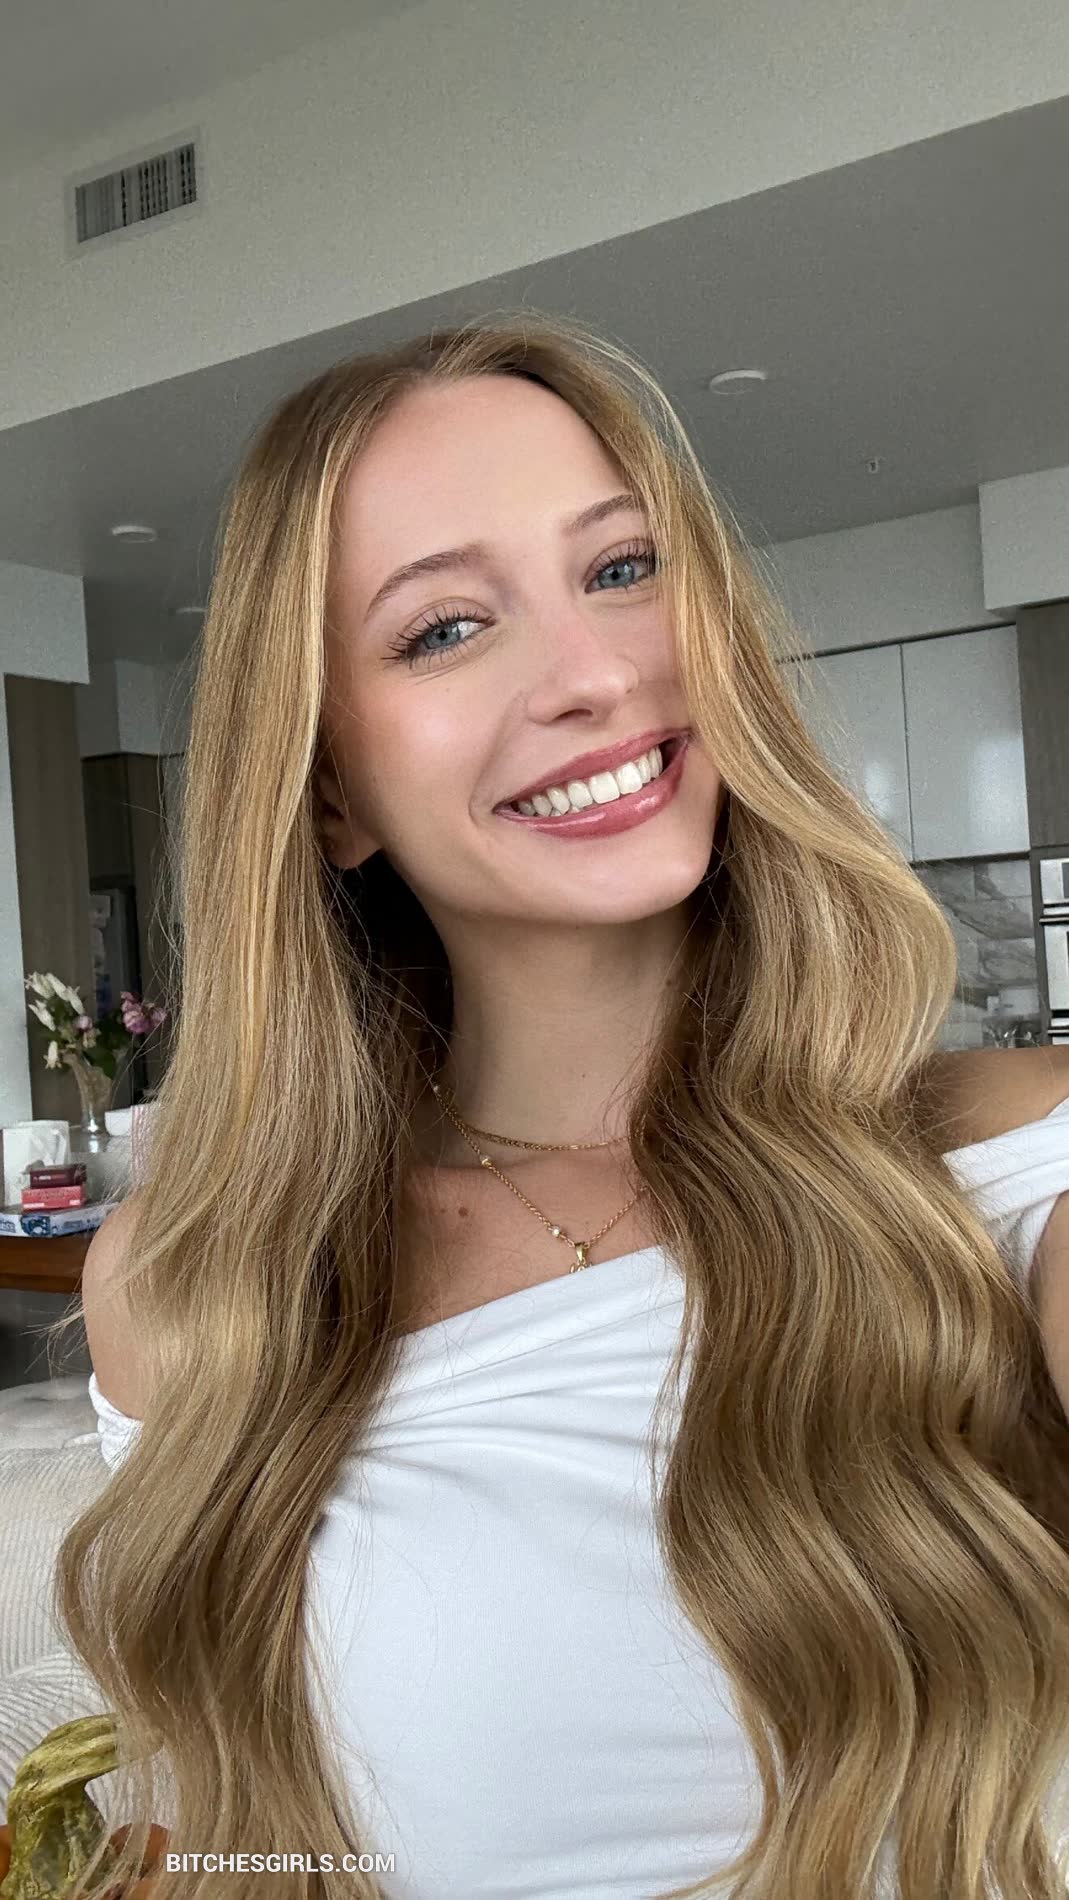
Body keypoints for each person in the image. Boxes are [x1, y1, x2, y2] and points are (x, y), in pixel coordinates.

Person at [37, 312, 1069, 1900]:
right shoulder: (204, 1290)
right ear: (329, 789)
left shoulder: (1010, 1171)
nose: (596, 673)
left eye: (621, 568)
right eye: (444, 628)